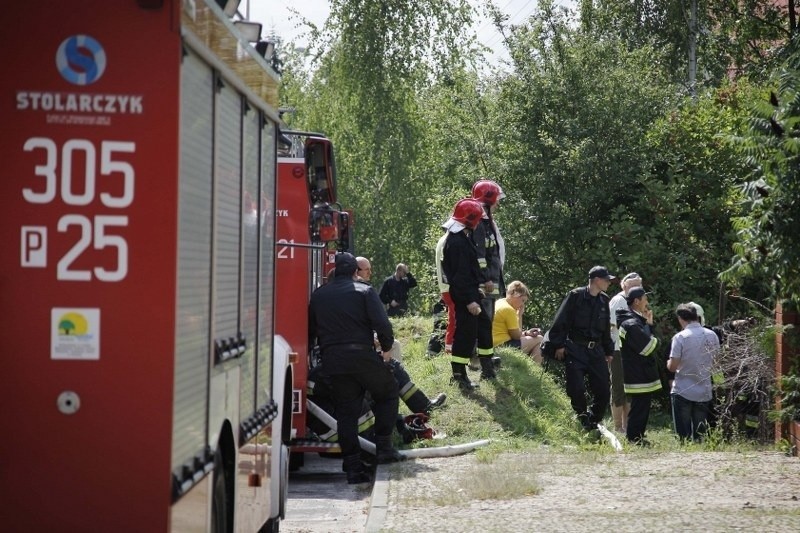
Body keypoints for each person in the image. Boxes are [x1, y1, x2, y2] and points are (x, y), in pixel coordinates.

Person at [308, 252, 405, 484]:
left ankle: (352, 468)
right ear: (354, 271)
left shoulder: (319, 296)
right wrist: (387, 348)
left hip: (333, 361)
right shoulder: (365, 291)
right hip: (362, 356)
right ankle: (383, 448)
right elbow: (382, 323)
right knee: (389, 393)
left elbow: (310, 331)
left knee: (346, 414)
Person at [548, 266, 616, 431]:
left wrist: (608, 351)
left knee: (603, 390)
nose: (609, 283)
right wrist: (559, 344)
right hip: (576, 348)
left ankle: (593, 419)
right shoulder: (576, 296)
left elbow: (605, 328)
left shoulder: (604, 300)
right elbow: (561, 320)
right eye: (606, 280)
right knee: (576, 387)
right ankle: (582, 416)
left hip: (596, 350)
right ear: (597, 280)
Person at [441, 198, 493, 389]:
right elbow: (460, 277)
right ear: (470, 219)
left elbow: (469, 269)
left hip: (470, 292)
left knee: (483, 325)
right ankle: (458, 375)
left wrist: (479, 284)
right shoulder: (457, 243)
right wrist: (470, 301)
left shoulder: (462, 237)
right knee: (465, 334)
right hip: (465, 296)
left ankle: (488, 367)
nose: (479, 222)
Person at [667, 303, 720, 442]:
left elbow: (672, 367)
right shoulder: (712, 335)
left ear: (680, 318)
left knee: (683, 435)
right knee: (700, 434)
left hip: (683, 389)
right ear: (697, 317)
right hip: (704, 389)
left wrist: (668, 362)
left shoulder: (680, 337)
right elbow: (717, 362)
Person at [616, 286, 661, 445]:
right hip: (638, 372)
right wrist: (652, 332)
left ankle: (638, 436)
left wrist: (648, 325)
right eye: (645, 299)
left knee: (642, 406)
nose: (647, 302)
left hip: (640, 372)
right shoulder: (631, 324)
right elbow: (647, 347)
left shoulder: (635, 321)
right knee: (639, 408)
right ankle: (634, 438)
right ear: (636, 301)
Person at [471, 179, 506, 368]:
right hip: (486, 283)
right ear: (488, 199)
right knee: (483, 321)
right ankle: (479, 358)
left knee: (488, 320)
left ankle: (486, 355)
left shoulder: (487, 222)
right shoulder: (479, 223)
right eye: (496, 199)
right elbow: (479, 256)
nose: (498, 203)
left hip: (491, 280)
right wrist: (487, 278)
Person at [608, 272, 641, 432]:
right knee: (618, 388)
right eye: (634, 285)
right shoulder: (618, 301)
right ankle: (617, 426)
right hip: (617, 349)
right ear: (624, 286)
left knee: (629, 388)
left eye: (639, 285)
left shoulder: (634, 302)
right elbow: (612, 324)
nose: (637, 288)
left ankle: (627, 426)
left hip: (630, 350)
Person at [492, 280, 544, 363]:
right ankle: (533, 371)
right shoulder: (509, 310)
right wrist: (519, 315)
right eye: (522, 300)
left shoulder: (500, 302)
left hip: (494, 343)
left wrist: (526, 333)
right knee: (540, 339)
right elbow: (516, 336)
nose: (523, 305)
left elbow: (512, 332)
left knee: (536, 339)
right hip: (501, 346)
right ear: (515, 294)